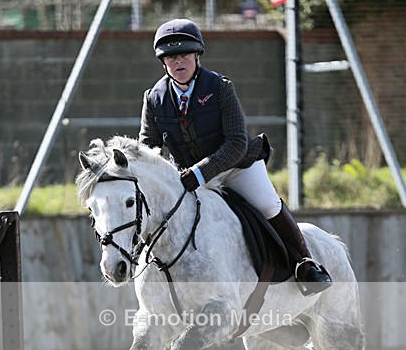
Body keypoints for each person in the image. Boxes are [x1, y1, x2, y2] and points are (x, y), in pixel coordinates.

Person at [138, 18, 332, 295]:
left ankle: (306, 263)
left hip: (236, 166)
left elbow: (237, 142)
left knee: (266, 204)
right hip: (188, 177)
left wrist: (201, 172)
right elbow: (149, 147)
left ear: (196, 55)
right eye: (171, 57)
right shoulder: (154, 98)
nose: (178, 62)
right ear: (163, 62)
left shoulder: (219, 87)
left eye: (184, 55)